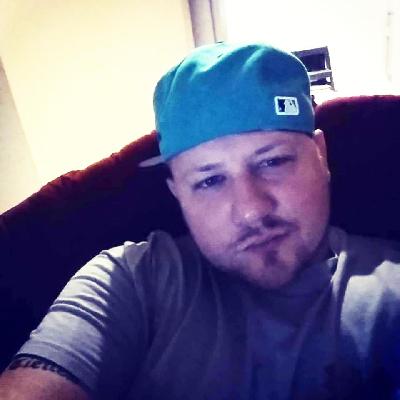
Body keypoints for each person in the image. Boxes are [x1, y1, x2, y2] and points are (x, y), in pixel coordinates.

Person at [0, 42, 399, 400]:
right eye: (209, 180)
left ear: (320, 156)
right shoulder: (128, 282)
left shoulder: (391, 289)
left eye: (273, 161)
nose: (251, 209)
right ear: (176, 193)